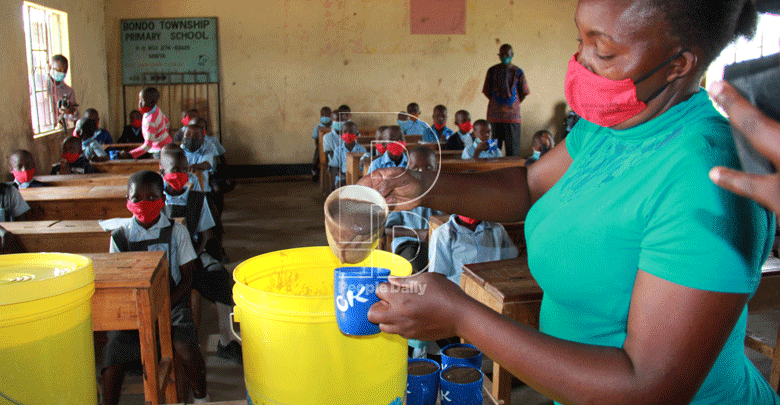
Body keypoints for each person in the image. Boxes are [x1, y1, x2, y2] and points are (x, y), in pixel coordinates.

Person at [359, 1, 780, 403]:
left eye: (603, 49)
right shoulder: (610, 126)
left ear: (679, 63)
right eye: (579, 40)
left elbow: (648, 388)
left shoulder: (707, 177)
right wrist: (425, 186)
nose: (581, 62)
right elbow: (529, 187)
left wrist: (461, 317)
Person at [101, 171, 208, 405]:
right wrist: (142, 310)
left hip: (173, 302)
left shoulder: (177, 232)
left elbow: (188, 278)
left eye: (151, 198)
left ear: (162, 198)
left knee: (186, 348)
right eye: (136, 198)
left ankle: (202, 397)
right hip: (135, 307)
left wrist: (164, 304)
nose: (144, 204)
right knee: (112, 356)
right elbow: (118, 278)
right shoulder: (120, 237)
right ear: (127, 200)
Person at [159, 148, 241, 364]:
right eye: (175, 170)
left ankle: (226, 339)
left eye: (185, 170)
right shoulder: (154, 197)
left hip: (194, 254)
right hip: (162, 260)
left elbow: (205, 234)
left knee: (220, 275)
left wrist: (195, 255)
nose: (181, 175)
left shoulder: (196, 198)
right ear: (162, 171)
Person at [384, 146, 443, 274]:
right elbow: (388, 230)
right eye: (415, 168)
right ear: (407, 170)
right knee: (416, 266)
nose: (421, 172)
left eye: (428, 168)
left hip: (439, 244)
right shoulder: (399, 195)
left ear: (436, 169)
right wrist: (418, 233)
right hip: (410, 242)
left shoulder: (442, 192)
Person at [482, 44, 530, 157]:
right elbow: (487, 91)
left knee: (513, 151)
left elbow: (523, 93)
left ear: (512, 55)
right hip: (494, 118)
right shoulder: (492, 71)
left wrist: (513, 104)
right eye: (502, 54)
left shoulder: (518, 72)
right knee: (492, 149)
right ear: (499, 56)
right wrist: (497, 103)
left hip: (512, 118)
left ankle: (512, 173)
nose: (505, 57)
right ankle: (492, 171)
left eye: (507, 54)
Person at [130, 87, 172, 159]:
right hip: (166, 146)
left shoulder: (150, 120)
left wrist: (130, 154)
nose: (139, 103)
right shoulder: (156, 109)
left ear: (152, 102)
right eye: (139, 99)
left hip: (160, 151)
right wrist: (163, 134)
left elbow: (148, 145)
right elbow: (167, 121)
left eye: (142, 100)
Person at [181, 121, 219, 193]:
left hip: (200, 190)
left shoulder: (206, 151)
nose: (191, 138)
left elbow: (207, 164)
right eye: (188, 135)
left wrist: (195, 166)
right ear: (183, 137)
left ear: (202, 140)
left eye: (196, 136)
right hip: (184, 188)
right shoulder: (180, 150)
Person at [328, 121, 367, 188]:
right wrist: (342, 175)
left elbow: (364, 166)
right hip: (343, 176)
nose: (348, 134)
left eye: (351, 131)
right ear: (341, 134)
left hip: (359, 176)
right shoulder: (338, 150)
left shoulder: (362, 149)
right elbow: (334, 167)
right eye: (345, 131)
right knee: (340, 185)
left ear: (357, 134)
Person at [48, 54, 79, 130]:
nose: (61, 73)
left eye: (64, 71)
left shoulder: (68, 91)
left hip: (61, 129)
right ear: (50, 67)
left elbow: (74, 118)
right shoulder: (42, 88)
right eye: (59, 70)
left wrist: (72, 111)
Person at [312, 106, 332, 181]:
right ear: (320, 116)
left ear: (331, 116)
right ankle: (314, 172)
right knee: (315, 160)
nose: (325, 117)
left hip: (331, 147)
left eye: (327, 115)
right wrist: (318, 146)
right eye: (323, 115)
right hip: (320, 147)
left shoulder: (333, 126)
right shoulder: (318, 127)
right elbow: (315, 138)